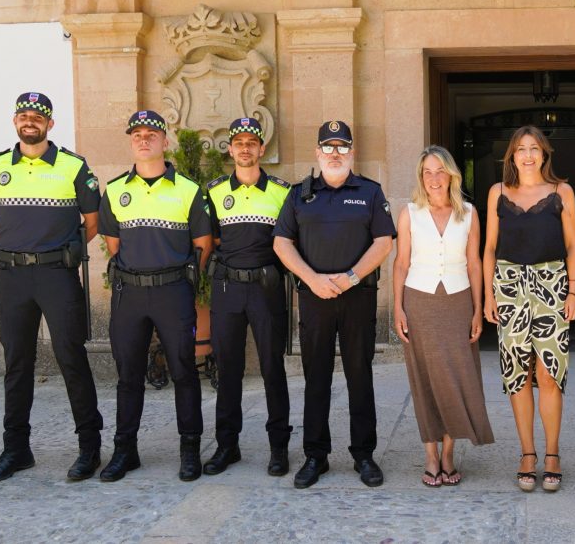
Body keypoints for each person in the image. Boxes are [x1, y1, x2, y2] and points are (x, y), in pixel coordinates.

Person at [0, 92, 104, 483]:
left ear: (50, 123)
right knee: (16, 364)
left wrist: (55, 250)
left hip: (56, 276)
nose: (29, 122)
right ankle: (16, 450)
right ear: (15, 121)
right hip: (12, 278)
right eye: (24, 115)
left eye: (38, 117)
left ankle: (90, 448)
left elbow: (93, 221)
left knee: (71, 358)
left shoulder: (73, 166)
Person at [273, 120, 395, 489]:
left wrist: (352, 277)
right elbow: (282, 243)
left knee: (360, 375)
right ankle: (316, 455)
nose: (335, 154)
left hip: (357, 296)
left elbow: (384, 241)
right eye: (329, 147)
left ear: (352, 153)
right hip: (315, 299)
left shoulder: (371, 193)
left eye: (342, 147)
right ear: (318, 153)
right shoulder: (299, 195)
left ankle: (364, 454)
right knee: (316, 378)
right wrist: (312, 279)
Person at [97, 110, 214, 482]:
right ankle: (125, 450)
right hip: (129, 293)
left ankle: (190, 449)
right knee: (128, 375)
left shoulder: (189, 190)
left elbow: (203, 244)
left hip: (173, 291)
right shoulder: (115, 190)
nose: (143, 140)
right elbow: (113, 244)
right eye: (137, 134)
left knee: (184, 371)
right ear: (131, 141)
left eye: (151, 134)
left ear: (166, 141)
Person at [483, 125, 575, 492]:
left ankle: (552, 454)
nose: (527, 155)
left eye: (534, 148)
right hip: (508, 289)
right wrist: (489, 296)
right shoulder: (497, 193)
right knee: (517, 375)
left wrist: (573, 292)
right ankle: (527, 453)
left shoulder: (562, 192)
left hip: (551, 286)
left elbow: (572, 247)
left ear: (544, 154)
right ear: (511, 155)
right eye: (521, 149)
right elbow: (490, 248)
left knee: (549, 373)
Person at [392, 145, 495, 487]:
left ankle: (449, 453)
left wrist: (478, 309)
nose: (434, 179)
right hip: (419, 301)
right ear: (421, 178)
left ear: (452, 174)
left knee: (457, 378)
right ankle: (431, 455)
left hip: (457, 301)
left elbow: (475, 262)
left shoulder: (468, 212)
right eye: (427, 172)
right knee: (424, 379)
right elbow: (401, 263)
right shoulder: (409, 213)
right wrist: (398, 307)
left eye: (440, 172)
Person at [201, 118, 293, 477]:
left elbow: (290, 242)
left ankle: (279, 448)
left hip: (266, 289)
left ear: (262, 149)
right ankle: (227, 446)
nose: (244, 148)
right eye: (238, 142)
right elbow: (209, 241)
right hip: (227, 289)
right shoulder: (214, 191)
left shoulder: (283, 192)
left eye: (251, 142)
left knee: (273, 369)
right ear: (230, 149)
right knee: (228, 371)